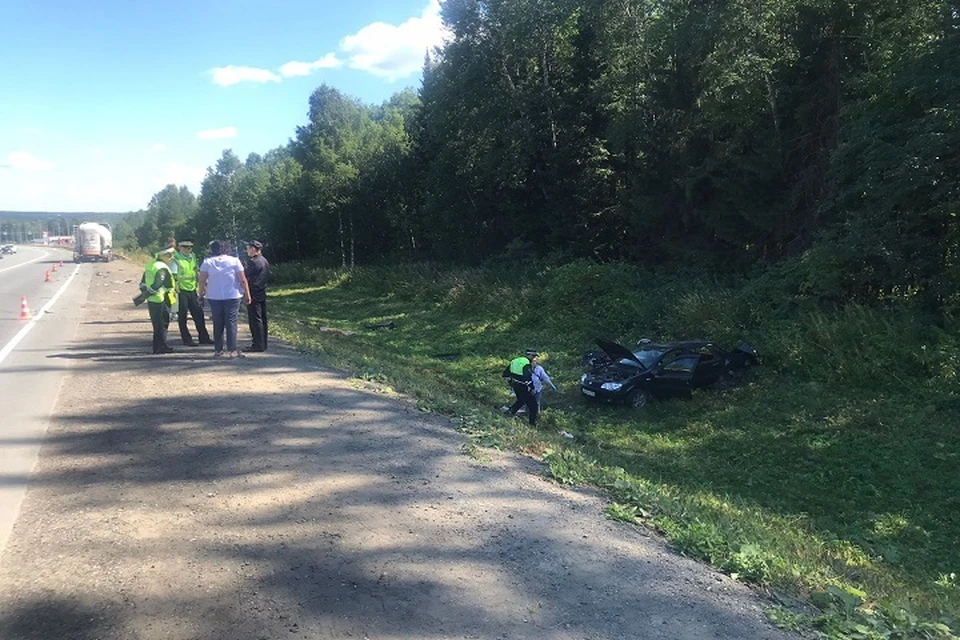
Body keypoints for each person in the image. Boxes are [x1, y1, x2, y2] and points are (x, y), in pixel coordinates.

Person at [198, 240, 252, 358]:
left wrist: (200, 295)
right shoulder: (234, 261)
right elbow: (243, 280)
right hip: (232, 295)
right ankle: (232, 350)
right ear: (227, 249)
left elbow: (202, 281)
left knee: (218, 322)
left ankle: (218, 350)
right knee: (231, 322)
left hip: (214, 296)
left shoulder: (207, 262)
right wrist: (247, 294)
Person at [173, 239, 212, 346]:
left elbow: (196, 272)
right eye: (185, 247)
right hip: (181, 290)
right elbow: (173, 275)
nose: (188, 249)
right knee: (182, 316)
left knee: (198, 314)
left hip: (192, 289)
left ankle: (204, 337)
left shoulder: (193, 257)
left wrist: (202, 286)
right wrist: (176, 289)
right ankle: (187, 339)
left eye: (190, 247)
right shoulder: (176, 258)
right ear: (180, 248)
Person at [140, 247, 178, 354]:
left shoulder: (151, 265)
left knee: (158, 324)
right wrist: (150, 293)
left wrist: (144, 295)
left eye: (172, 255)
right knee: (161, 324)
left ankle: (162, 345)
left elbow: (142, 283)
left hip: (153, 299)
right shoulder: (161, 267)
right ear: (160, 255)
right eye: (168, 255)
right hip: (161, 299)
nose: (171, 257)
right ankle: (159, 347)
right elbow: (158, 283)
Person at [244, 240, 270, 352]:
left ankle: (257, 344)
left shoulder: (253, 262)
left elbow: (246, 275)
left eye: (248, 248)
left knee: (255, 320)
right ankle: (263, 343)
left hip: (254, 292)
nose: (247, 250)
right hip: (262, 291)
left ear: (254, 249)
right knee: (262, 319)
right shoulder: (264, 260)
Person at [502, 348, 539, 426]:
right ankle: (532, 424)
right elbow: (527, 377)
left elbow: (505, 374)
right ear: (529, 355)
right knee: (534, 405)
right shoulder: (526, 363)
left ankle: (509, 413)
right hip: (522, 385)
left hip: (515, 384)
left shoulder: (515, 360)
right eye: (533, 356)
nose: (534, 358)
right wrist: (532, 388)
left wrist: (511, 382)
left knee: (521, 400)